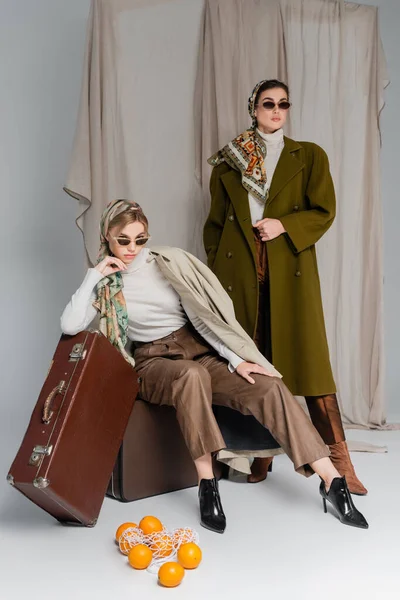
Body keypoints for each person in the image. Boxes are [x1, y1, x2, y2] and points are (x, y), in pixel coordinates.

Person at [61, 199, 368, 533]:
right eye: (124, 240)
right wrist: (93, 275)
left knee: (266, 385)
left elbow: (204, 320)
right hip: (153, 363)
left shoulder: (169, 262)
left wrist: (237, 360)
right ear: (107, 235)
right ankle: (207, 483)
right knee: (190, 376)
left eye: (141, 239)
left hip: (199, 349)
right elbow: (70, 324)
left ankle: (332, 481)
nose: (132, 248)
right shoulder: (105, 283)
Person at [204, 79, 367, 495]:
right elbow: (216, 225)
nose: (276, 110)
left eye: (283, 104)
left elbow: (323, 210)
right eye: (267, 104)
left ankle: (340, 464)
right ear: (253, 109)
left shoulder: (308, 155)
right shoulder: (229, 162)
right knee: (253, 366)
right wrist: (218, 272)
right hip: (240, 271)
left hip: (289, 265)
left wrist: (284, 225)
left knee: (310, 367)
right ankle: (259, 457)